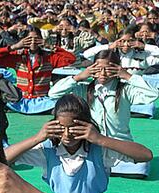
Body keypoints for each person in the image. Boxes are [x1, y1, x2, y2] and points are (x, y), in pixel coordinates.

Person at [5, 94, 153, 193]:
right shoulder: (48, 150)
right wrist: (38, 137)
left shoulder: (99, 150)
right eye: (61, 128)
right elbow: (3, 158)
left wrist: (100, 139)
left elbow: (146, 155)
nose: (67, 134)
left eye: (74, 128)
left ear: (87, 125)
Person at [49, 50, 158, 178]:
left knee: (142, 166)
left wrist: (127, 76)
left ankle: (102, 168)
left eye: (109, 69)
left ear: (117, 69)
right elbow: (53, 94)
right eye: (98, 68)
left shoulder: (125, 90)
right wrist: (79, 76)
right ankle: (104, 167)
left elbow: (153, 94)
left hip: (120, 146)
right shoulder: (84, 89)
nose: (103, 73)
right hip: (91, 147)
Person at [0, 26, 76, 114]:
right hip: (21, 101)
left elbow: (71, 59)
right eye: (29, 39)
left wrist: (50, 46)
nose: (33, 42)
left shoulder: (49, 57)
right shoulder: (17, 57)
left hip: (43, 102)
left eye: (36, 39)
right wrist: (15, 46)